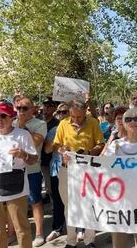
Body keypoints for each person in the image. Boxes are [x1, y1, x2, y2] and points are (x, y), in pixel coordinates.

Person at [103, 107, 137, 248]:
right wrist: (73, 159)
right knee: (119, 243)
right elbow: (102, 169)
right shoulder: (115, 146)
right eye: (128, 119)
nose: (133, 121)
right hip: (119, 203)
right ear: (123, 123)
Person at [52, 99, 104, 248]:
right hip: (67, 169)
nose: (76, 120)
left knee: (89, 204)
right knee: (68, 206)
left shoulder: (93, 122)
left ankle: (89, 240)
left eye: (79, 117)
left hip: (88, 170)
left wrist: (88, 152)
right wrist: (61, 150)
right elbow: (56, 144)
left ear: (85, 112)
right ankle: (71, 240)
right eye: (73, 116)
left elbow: (101, 144)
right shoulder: (63, 124)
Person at [0, 102, 38, 248]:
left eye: (3, 116)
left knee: (21, 228)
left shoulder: (23, 135)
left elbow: (34, 159)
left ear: (12, 118)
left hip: (17, 188)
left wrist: (23, 154)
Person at [14, 97, 47, 247]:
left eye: (24, 108)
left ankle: (39, 233)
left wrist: (21, 126)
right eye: (18, 108)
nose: (21, 111)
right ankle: (15, 233)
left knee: (35, 202)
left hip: (32, 170)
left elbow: (35, 142)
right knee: (16, 204)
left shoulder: (40, 124)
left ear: (33, 109)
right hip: (14, 171)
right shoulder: (11, 122)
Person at [43, 103, 68, 243]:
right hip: (56, 170)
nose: (62, 115)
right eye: (59, 112)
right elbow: (47, 150)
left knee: (75, 201)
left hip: (74, 171)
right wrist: (56, 138)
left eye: (65, 112)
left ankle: (80, 230)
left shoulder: (76, 129)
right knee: (58, 201)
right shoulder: (53, 130)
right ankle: (57, 228)